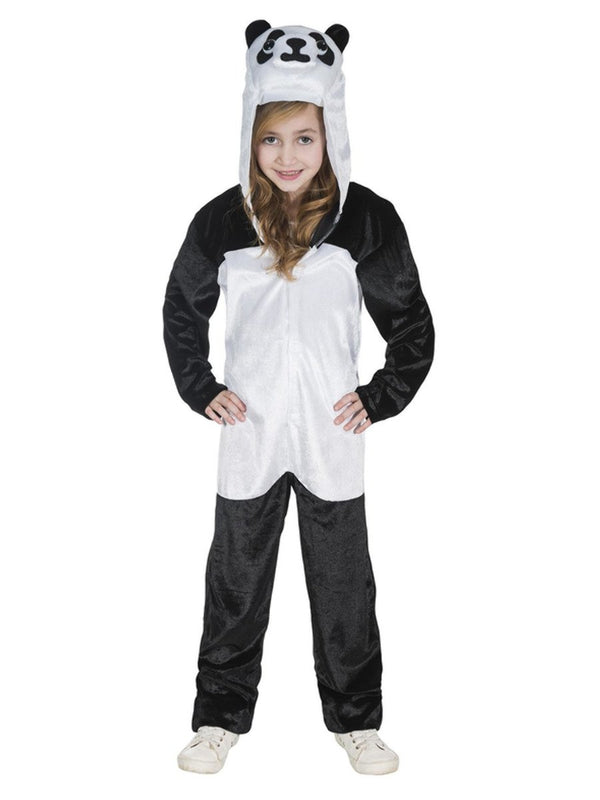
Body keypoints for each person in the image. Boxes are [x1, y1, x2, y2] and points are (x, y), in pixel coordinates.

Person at [162, 20, 435, 776]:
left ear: (331, 132)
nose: (288, 156)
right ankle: (217, 718)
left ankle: (358, 721)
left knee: (344, 583)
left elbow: (411, 323)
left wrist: (381, 396)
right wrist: (200, 387)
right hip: (249, 430)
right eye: (272, 139)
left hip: (329, 432)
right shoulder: (223, 220)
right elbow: (182, 310)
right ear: (250, 138)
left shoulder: (366, 220)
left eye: (305, 138)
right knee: (235, 578)